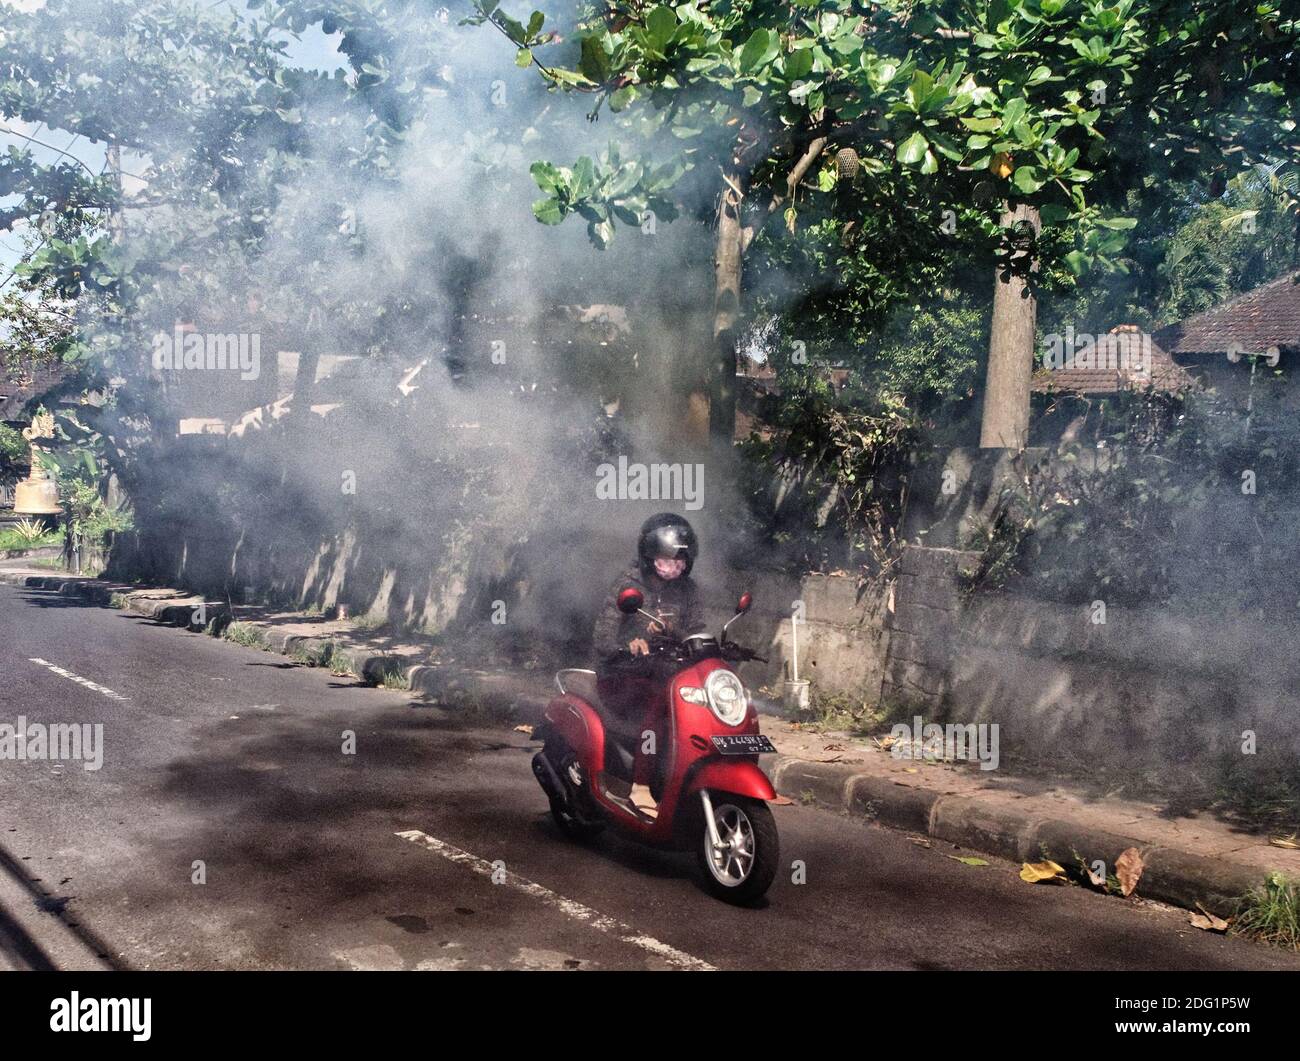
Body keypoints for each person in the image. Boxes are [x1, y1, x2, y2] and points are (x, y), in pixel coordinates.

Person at [591, 513, 705, 815]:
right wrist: (628, 645)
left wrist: (674, 632)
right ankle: (640, 787)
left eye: (680, 562)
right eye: (666, 561)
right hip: (620, 674)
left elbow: (696, 632)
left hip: (667, 672)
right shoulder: (627, 585)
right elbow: (602, 638)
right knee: (659, 703)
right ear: (648, 557)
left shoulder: (687, 589)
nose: (673, 569)